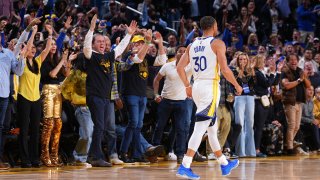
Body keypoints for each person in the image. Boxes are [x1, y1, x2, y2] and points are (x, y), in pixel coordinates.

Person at [176, 16, 242, 179]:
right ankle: (185, 165)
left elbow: (179, 67)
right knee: (200, 128)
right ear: (214, 26)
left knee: (212, 128)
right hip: (210, 87)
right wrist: (237, 85)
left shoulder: (192, 45)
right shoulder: (217, 43)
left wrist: (187, 86)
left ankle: (224, 163)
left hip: (197, 86)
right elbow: (225, 70)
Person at [83, 14, 137, 167]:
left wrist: (129, 35)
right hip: (95, 96)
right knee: (99, 127)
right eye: (98, 41)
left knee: (104, 128)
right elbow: (86, 46)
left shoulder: (108, 56)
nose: (101, 43)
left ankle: (95, 156)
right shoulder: (90, 55)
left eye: (103, 41)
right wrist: (91, 29)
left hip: (106, 97)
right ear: (93, 44)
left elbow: (119, 49)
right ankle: (94, 157)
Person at [281, 54, 311, 155]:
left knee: (297, 126)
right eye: (292, 60)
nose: (294, 62)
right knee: (292, 125)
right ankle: (289, 148)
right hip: (290, 102)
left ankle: (287, 144)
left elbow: (308, 85)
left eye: (295, 60)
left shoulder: (300, 71)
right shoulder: (285, 71)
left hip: (300, 102)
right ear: (288, 61)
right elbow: (286, 85)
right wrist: (299, 80)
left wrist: (304, 77)